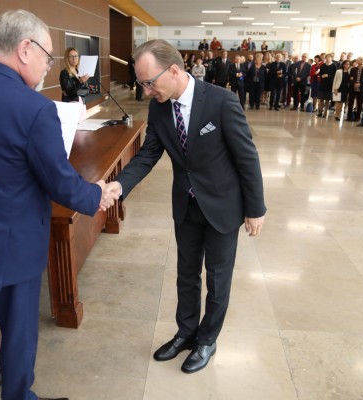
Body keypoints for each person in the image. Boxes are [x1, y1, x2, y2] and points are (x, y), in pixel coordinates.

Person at [0, 10, 113, 400]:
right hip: (10, 241)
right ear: (24, 48)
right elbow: (59, 183)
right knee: (18, 329)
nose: (49, 66)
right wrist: (98, 194)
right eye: (47, 56)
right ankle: (16, 395)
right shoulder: (34, 108)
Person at [107, 39, 265, 374]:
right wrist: (120, 185)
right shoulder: (159, 107)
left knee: (218, 280)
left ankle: (208, 339)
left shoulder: (222, 101)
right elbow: (149, 154)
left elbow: (247, 158)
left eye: (150, 83)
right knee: (186, 275)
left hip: (223, 207)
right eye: (142, 84)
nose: (147, 92)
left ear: (174, 70)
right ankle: (186, 332)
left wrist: (256, 209)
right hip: (187, 205)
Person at [317, 54, 337, 118]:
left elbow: (335, 75)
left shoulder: (334, 66)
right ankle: (320, 112)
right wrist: (321, 75)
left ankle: (325, 113)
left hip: (329, 84)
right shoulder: (323, 65)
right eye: (327, 57)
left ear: (331, 58)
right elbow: (320, 73)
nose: (328, 58)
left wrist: (328, 75)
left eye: (329, 57)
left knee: (327, 100)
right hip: (322, 84)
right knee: (321, 99)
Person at [347, 57, 363, 121]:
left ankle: (358, 117)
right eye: (360, 59)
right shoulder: (353, 69)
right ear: (357, 61)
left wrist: (360, 84)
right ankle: (349, 116)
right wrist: (354, 84)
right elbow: (351, 78)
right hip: (353, 88)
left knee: (360, 104)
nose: (362, 60)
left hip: (361, 88)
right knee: (350, 103)